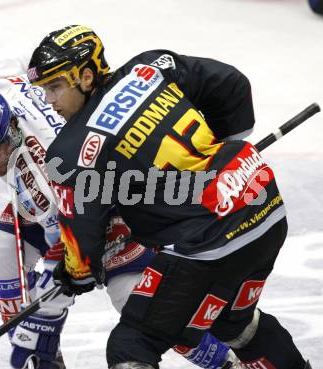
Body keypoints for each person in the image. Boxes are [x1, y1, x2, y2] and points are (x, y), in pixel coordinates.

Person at [27, 25, 311, 369]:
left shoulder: (68, 152)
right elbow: (232, 85)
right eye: (44, 90)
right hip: (261, 202)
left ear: (86, 76)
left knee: (131, 345)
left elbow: (84, 250)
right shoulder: (150, 67)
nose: (50, 101)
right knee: (233, 323)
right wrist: (214, 158)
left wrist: (74, 276)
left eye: (55, 87)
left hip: (209, 241)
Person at [0, 47, 235, 369]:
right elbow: (6, 61)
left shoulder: (48, 167)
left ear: (13, 128)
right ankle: (36, 353)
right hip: (84, 190)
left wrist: (53, 297)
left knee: (135, 305)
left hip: (113, 210)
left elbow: (67, 238)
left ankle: (226, 361)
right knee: (1, 252)